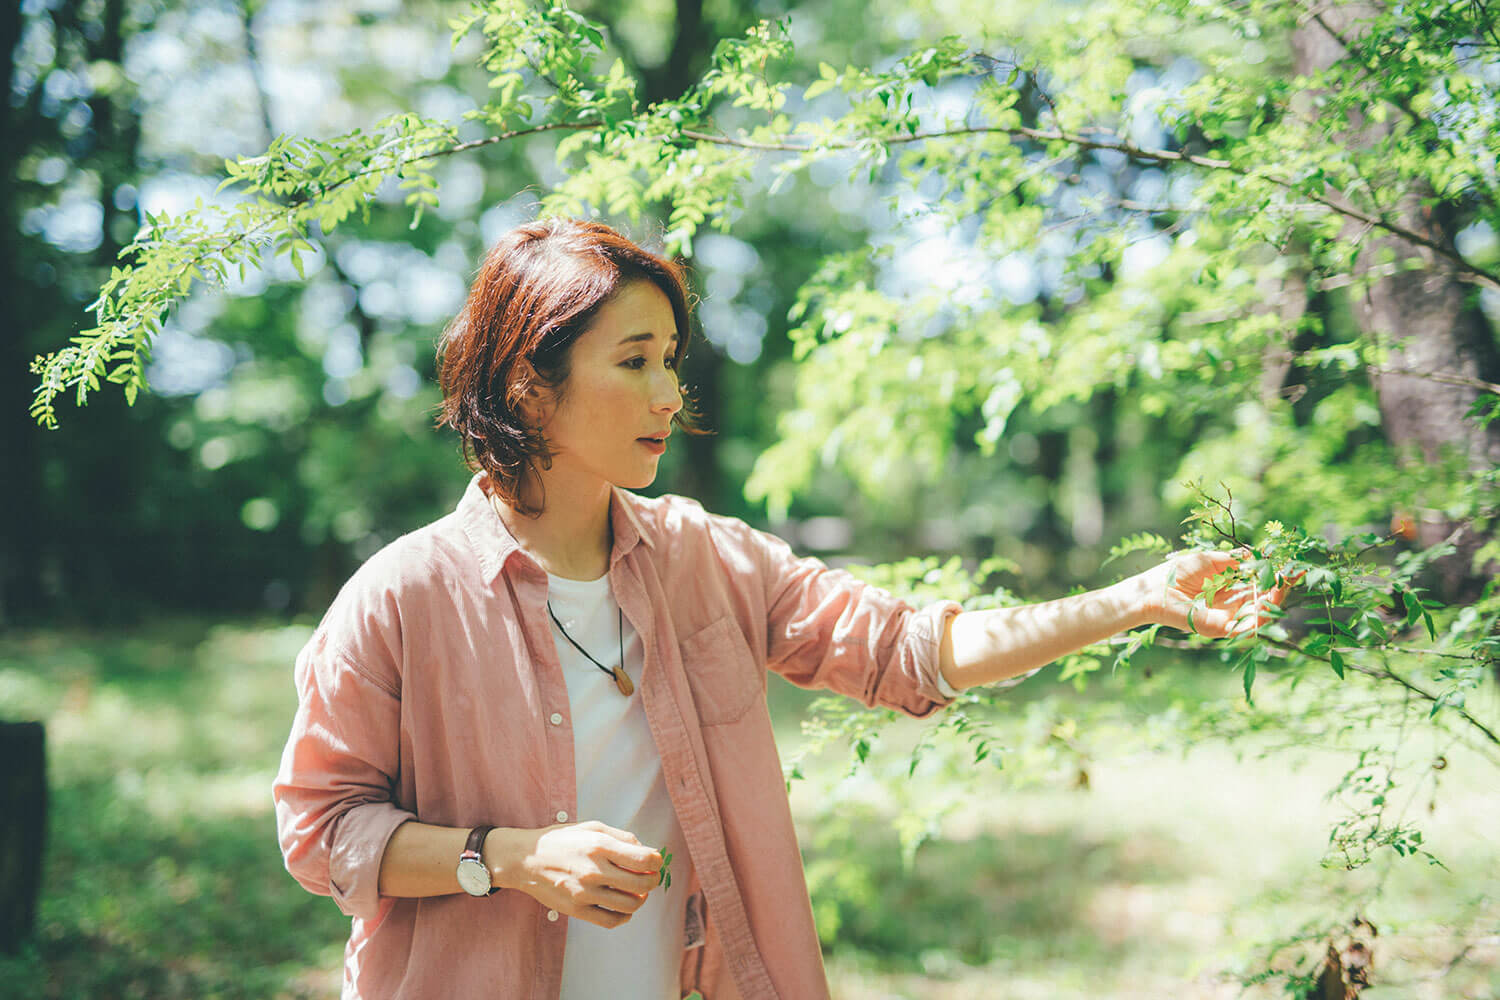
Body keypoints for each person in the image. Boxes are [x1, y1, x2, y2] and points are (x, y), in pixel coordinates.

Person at [272, 218, 1289, 1000]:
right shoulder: (403, 596)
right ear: (530, 388)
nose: (671, 392)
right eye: (633, 362)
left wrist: (1137, 597)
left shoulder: (708, 558)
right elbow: (322, 829)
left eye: (670, 357)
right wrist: (513, 857)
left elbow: (909, 649)